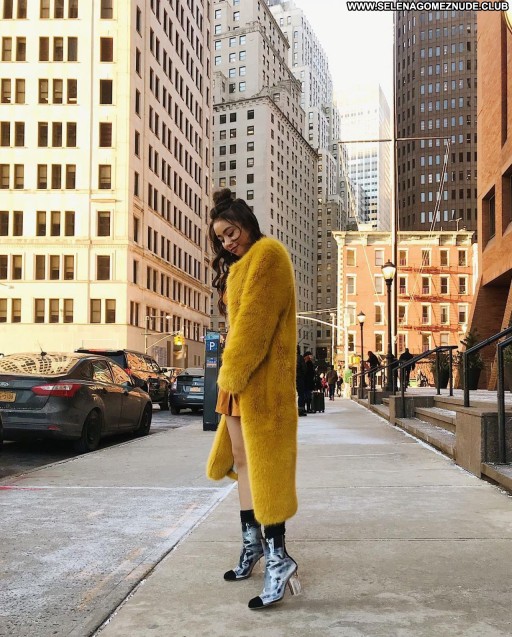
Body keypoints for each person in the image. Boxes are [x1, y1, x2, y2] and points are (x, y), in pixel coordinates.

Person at [205, 188, 300, 610]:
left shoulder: (268, 256)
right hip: (239, 380)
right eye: (221, 238)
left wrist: (230, 373)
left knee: (266, 468)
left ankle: (279, 557)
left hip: (260, 382)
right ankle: (254, 545)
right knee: (244, 463)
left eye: (231, 232)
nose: (228, 242)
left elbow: (255, 326)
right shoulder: (240, 266)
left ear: (247, 223)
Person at [296, 345, 308, 416]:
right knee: (301, 394)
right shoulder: (300, 358)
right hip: (299, 378)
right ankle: (300, 410)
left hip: (291, 378)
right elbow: (304, 368)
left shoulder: (289, 357)